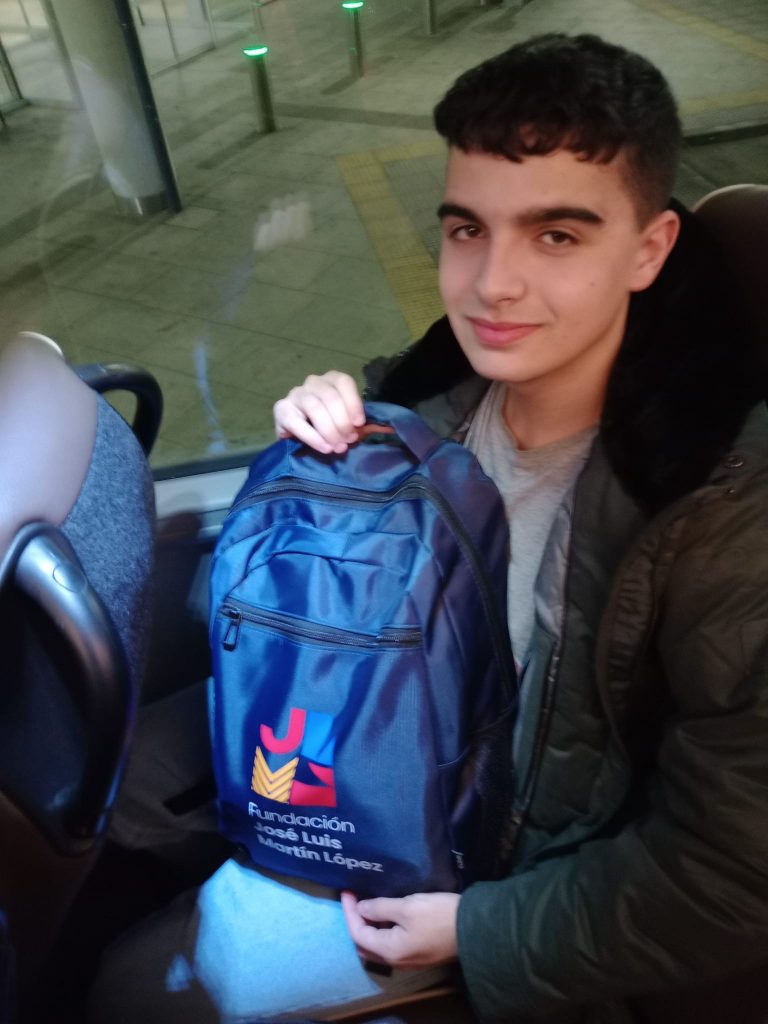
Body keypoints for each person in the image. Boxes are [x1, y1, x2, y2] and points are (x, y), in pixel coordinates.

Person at [90, 33, 768, 1024]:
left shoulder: (717, 506)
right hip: (361, 734)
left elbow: (731, 874)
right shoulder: (438, 389)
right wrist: (320, 457)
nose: (492, 285)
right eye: (466, 229)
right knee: (103, 785)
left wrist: (481, 931)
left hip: (496, 868)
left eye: (556, 236)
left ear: (649, 249)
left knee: (137, 995)